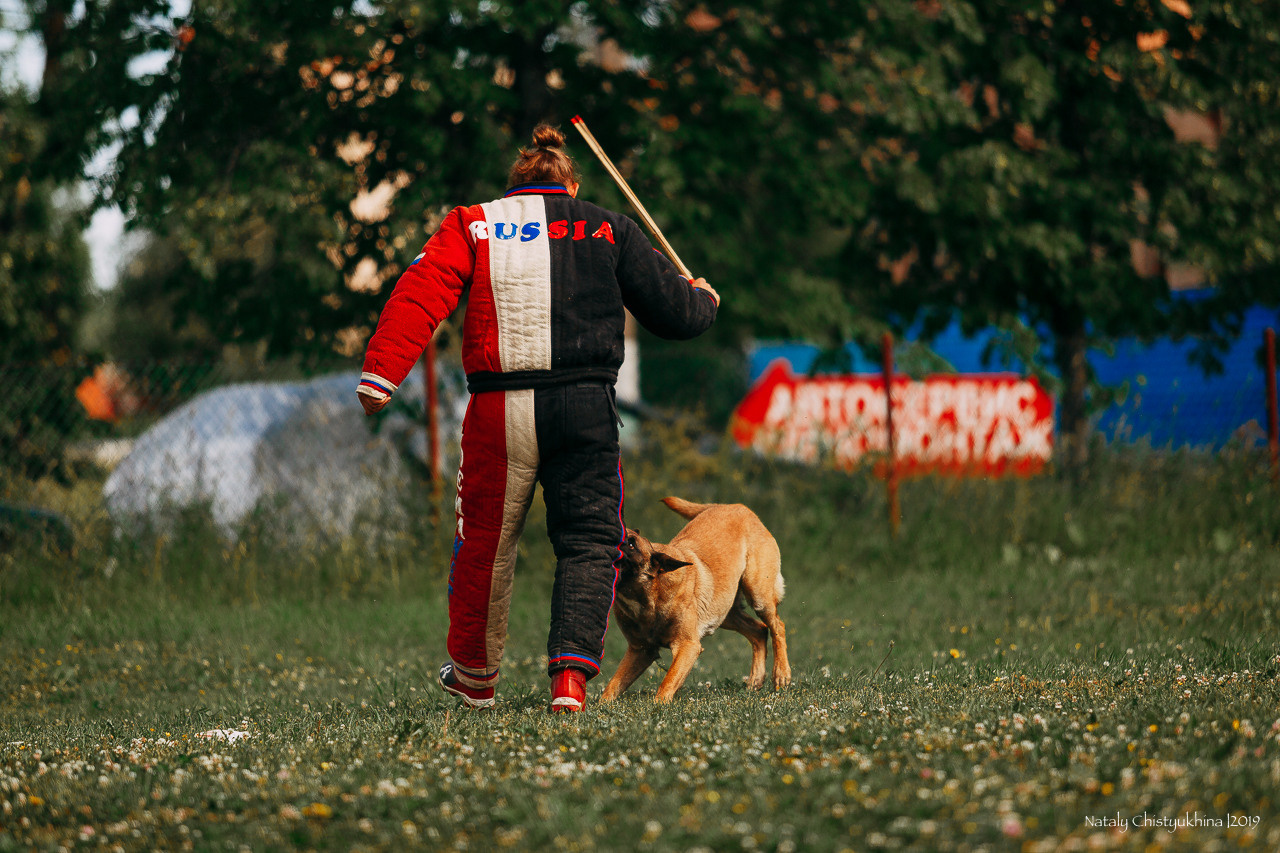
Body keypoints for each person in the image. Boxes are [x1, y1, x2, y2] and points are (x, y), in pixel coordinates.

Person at [357, 124, 719, 712]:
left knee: (486, 545)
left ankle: (475, 677)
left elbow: (420, 292)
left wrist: (382, 376)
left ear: (513, 187)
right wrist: (701, 297)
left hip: (500, 409)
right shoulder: (607, 224)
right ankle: (570, 684)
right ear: (570, 186)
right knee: (589, 543)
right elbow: (675, 314)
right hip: (586, 408)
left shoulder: (472, 223)